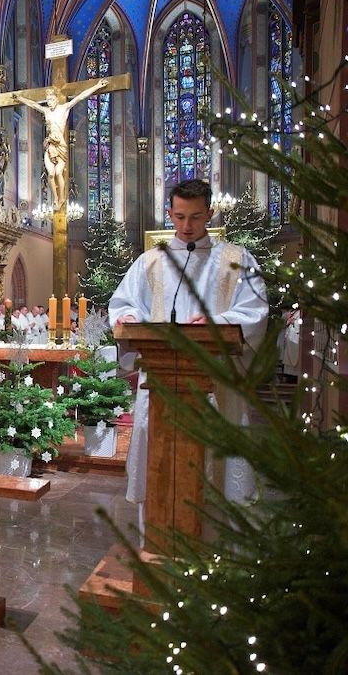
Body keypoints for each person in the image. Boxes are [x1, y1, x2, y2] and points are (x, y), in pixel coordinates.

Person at [109, 179, 269, 530]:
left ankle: (211, 551)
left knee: (214, 477)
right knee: (159, 470)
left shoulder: (235, 260)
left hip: (216, 383)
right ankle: (157, 545)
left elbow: (255, 311)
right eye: (180, 217)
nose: (186, 226)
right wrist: (129, 317)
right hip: (160, 383)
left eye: (196, 217)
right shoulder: (151, 262)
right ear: (169, 214)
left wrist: (218, 322)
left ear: (210, 213)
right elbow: (123, 303)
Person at [14, 78, 109, 209]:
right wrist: (20, 98)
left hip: (61, 146)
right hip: (50, 146)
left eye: (51, 100)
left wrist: (97, 86)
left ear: (57, 99)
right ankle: (55, 198)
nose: (49, 102)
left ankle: (62, 197)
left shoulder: (64, 108)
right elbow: (33, 105)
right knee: (50, 174)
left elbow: (80, 97)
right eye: (48, 100)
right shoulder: (46, 111)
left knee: (59, 173)